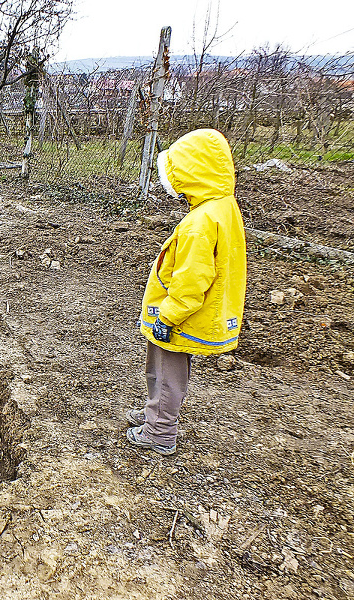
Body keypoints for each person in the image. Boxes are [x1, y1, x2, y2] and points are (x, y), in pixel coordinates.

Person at [127, 128, 247, 455]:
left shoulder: (201, 223)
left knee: (167, 369)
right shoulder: (223, 207)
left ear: (193, 172)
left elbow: (192, 280)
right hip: (192, 311)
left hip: (180, 314)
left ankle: (160, 430)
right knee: (163, 367)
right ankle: (156, 411)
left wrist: (168, 315)